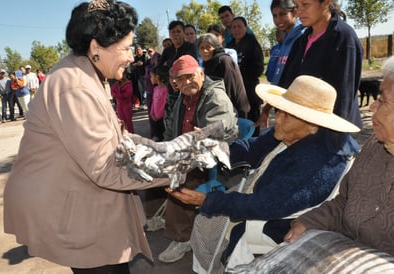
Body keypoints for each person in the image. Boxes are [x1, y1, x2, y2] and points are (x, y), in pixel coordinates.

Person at [3, 1, 173, 273]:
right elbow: (108, 165)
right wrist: (180, 165)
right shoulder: (73, 85)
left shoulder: (85, 73)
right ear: (96, 47)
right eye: (126, 48)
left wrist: (174, 150)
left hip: (83, 199)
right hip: (75, 214)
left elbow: (119, 139)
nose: (132, 57)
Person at [167, 75, 360, 273]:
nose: (279, 119)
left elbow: (266, 205)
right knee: (206, 221)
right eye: (280, 111)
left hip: (277, 224)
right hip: (261, 193)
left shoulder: (319, 162)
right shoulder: (294, 132)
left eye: (288, 115)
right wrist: (210, 150)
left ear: (313, 125)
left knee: (207, 218)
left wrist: (207, 201)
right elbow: (251, 148)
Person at [284, 56, 394, 257]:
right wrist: (307, 222)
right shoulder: (374, 146)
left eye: (382, 101)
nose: (372, 107)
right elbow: (344, 201)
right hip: (344, 253)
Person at [158, 54, 238, 264]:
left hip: (217, 157)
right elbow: (171, 131)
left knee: (180, 180)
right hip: (191, 151)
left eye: (190, 76)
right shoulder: (183, 99)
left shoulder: (215, 97)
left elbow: (212, 136)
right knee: (153, 169)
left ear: (201, 74)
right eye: (180, 79)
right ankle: (161, 217)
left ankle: (181, 237)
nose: (186, 82)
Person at [278, 0, 363, 157]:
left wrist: (331, 142)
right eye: (297, 6)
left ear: (326, 3)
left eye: (305, 4)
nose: (299, 11)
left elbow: (343, 95)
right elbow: (287, 83)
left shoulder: (343, 38)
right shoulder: (301, 41)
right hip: (302, 131)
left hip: (329, 137)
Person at [257, 0, 306, 128]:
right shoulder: (285, 40)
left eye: (282, 14)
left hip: (296, 107)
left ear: (295, 12)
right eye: (274, 15)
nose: (278, 19)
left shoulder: (303, 37)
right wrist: (267, 108)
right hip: (281, 103)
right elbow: (278, 78)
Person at [157, 20, 197, 132]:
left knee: (185, 123)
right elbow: (158, 68)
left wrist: (173, 72)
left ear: (183, 33)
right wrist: (169, 74)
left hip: (187, 92)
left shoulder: (190, 47)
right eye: (173, 32)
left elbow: (190, 66)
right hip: (172, 93)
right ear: (169, 34)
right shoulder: (168, 50)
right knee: (171, 123)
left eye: (178, 31)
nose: (176, 34)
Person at [197, 33, 250, 118]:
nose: (205, 51)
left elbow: (229, 89)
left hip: (233, 109)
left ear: (216, 47)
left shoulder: (223, 61)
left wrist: (225, 113)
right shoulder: (207, 63)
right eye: (202, 48)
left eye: (208, 47)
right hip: (220, 107)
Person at [226, 16, 264, 134]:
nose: (236, 30)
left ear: (246, 28)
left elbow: (259, 67)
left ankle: (254, 145)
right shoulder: (230, 45)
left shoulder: (252, 43)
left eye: (239, 26)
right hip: (235, 91)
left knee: (253, 122)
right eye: (234, 27)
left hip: (250, 90)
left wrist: (242, 75)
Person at [144, 47, 161, 139]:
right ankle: (153, 133)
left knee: (157, 114)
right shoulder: (149, 62)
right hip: (149, 90)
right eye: (147, 51)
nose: (149, 53)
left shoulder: (157, 58)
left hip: (156, 89)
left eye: (150, 51)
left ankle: (158, 134)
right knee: (151, 112)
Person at [149, 64, 168, 141]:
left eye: (151, 76)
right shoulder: (155, 89)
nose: (150, 78)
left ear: (157, 77)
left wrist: (159, 116)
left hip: (161, 118)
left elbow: (164, 104)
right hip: (155, 117)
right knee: (158, 135)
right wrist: (152, 113)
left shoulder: (165, 89)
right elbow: (153, 102)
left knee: (163, 135)